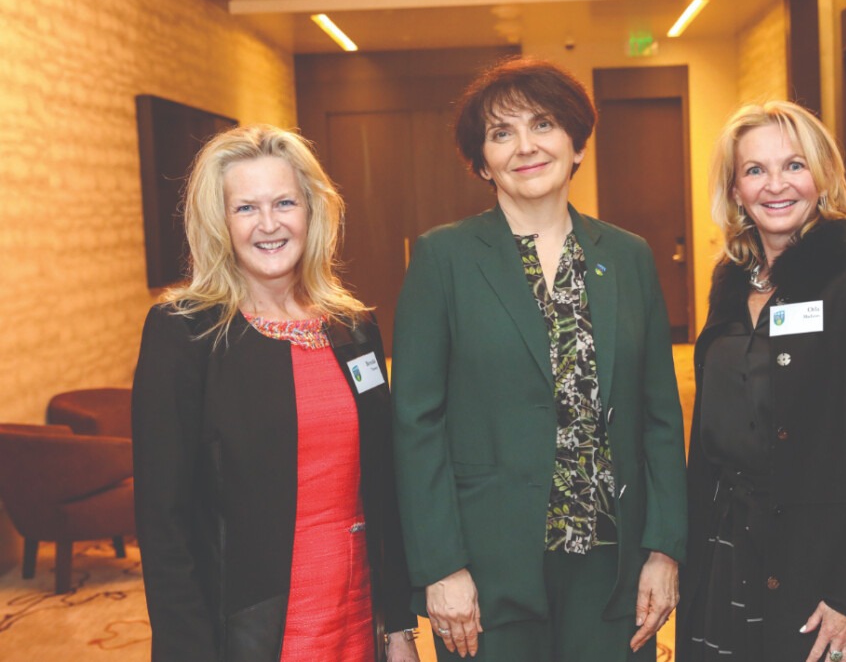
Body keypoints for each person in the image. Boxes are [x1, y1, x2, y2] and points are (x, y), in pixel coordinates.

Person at [390, 57, 688, 662]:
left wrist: (664, 549)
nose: (525, 146)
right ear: (481, 160)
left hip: (613, 565)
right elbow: (416, 423)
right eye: (502, 133)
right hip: (488, 568)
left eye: (544, 124)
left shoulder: (628, 257)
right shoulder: (443, 258)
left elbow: (660, 415)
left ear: (576, 143)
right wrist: (441, 566)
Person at [132, 124, 420, 662]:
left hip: (358, 612)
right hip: (252, 627)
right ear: (219, 222)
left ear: (311, 211)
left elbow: (384, 486)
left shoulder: (353, 327)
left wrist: (400, 624)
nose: (269, 224)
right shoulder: (184, 332)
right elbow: (162, 521)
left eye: (285, 202)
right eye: (245, 208)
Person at [677, 101, 846, 662]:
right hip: (728, 552)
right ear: (736, 190)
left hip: (824, 566)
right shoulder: (728, 282)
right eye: (755, 170)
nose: (775, 185)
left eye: (794, 165)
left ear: (823, 176)